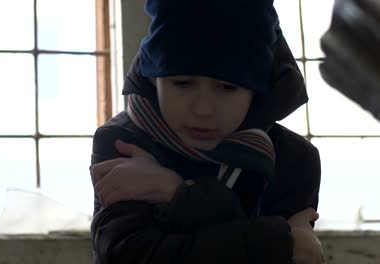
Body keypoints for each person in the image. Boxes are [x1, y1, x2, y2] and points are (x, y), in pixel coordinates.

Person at [90, 0, 325, 263]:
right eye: (182, 83)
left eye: (227, 87)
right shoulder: (122, 140)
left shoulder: (294, 159)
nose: (203, 109)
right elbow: (129, 257)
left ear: (257, 90)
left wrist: (177, 193)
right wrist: (277, 241)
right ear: (153, 78)